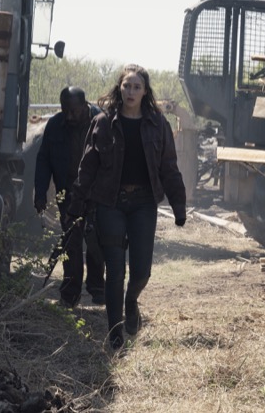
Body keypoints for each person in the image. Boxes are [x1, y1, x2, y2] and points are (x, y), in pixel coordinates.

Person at [69, 64, 186, 350]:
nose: (131, 91)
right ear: (119, 89)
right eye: (126, 86)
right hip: (111, 203)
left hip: (144, 203)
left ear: (145, 91)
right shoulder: (104, 123)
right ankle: (115, 333)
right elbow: (87, 168)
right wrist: (76, 204)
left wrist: (179, 205)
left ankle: (131, 301)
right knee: (115, 270)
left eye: (137, 87)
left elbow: (169, 168)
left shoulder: (158, 124)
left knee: (142, 271)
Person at [34, 86, 105, 306]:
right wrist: (40, 192)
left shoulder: (102, 122)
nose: (70, 116)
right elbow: (43, 159)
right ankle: (70, 293)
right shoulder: (55, 125)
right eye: (66, 110)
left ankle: (96, 287)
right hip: (68, 193)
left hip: (96, 194)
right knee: (71, 243)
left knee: (96, 242)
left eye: (74, 111)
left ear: (85, 106)